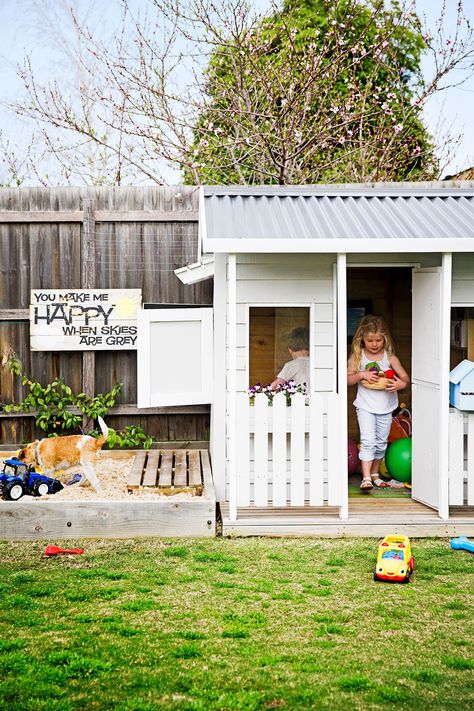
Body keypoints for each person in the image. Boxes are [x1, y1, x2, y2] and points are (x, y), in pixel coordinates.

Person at [347, 315, 410, 489]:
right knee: (368, 440)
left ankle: (375, 474)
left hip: (386, 407)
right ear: (362, 339)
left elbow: (405, 378)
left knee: (381, 442)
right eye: (370, 340)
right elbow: (347, 379)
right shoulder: (357, 357)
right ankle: (366, 477)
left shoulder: (389, 358)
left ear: (385, 339)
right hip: (365, 406)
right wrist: (361, 374)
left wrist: (400, 384)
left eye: (378, 340)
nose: (374, 344)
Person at [271, 326, 310, 392]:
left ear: (290, 349)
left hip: (300, 400)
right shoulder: (316, 363)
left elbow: (275, 386)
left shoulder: (291, 365)